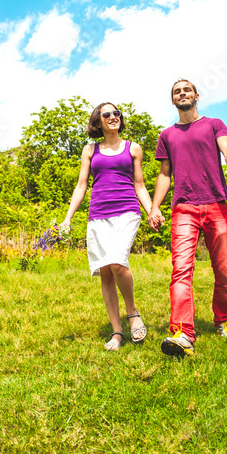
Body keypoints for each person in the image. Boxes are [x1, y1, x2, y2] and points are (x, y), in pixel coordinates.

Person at [148, 78, 227, 357]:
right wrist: (155, 207)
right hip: (183, 208)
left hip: (216, 204)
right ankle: (182, 332)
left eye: (186, 90)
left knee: (224, 269)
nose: (182, 94)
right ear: (172, 101)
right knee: (181, 270)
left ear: (196, 95)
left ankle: (223, 320)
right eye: (177, 91)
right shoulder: (166, 134)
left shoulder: (214, 124)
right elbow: (165, 174)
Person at [63, 103, 154, 351]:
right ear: (98, 121)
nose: (113, 117)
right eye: (107, 114)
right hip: (98, 215)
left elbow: (140, 184)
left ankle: (132, 312)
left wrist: (152, 210)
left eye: (116, 113)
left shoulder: (133, 148)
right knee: (105, 271)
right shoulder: (90, 150)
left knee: (117, 262)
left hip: (127, 211)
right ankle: (117, 332)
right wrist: (68, 218)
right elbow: (82, 185)